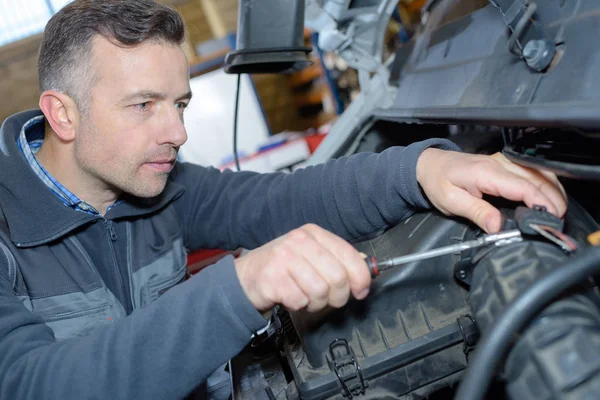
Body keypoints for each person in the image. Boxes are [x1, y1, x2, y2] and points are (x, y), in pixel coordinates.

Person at [0, 0, 567, 398]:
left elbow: (282, 200)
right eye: (144, 105)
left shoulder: (156, 185)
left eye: (181, 104)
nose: (177, 132)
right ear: (62, 114)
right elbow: (32, 386)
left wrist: (421, 168)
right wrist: (242, 286)